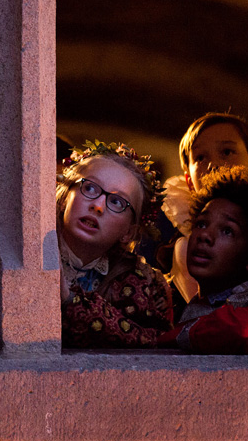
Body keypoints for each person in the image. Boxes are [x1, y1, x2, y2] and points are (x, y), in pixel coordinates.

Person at [58, 141, 173, 348]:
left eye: (117, 202)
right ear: (65, 197)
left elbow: (157, 341)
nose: (98, 206)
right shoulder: (20, 254)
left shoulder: (144, 283)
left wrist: (69, 300)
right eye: (90, 188)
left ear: (128, 232)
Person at [157, 112, 248, 318]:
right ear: (189, 180)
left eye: (227, 152)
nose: (213, 165)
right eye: (200, 158)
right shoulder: (189, 248)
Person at [158, 166, 248, 354]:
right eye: (201, 223)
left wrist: (168, 338)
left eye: (227, 231)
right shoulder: (191, 303)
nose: (205, 235)